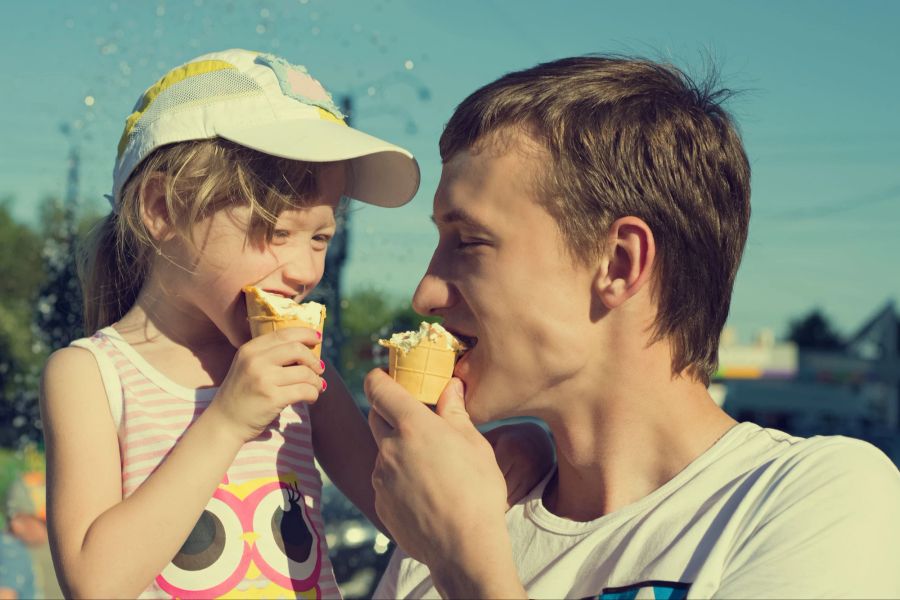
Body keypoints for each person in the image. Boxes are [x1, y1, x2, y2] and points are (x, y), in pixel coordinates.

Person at [365, 55, 900, 599]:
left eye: (469, 242)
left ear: (618, 264)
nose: (424, 294)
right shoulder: (452, 514)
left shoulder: (810, 498)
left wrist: (463, 562)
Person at [40, 48, 552, 599]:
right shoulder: (91, 375)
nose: (306, 270)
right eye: (277, 232)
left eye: (320, 237)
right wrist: (227, 420)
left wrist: (513, 451)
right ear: (163, 210)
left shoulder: (306, 375)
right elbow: (94, 583)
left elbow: (400, 508)